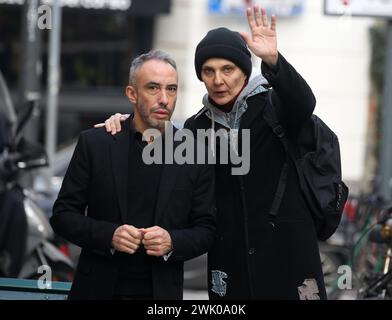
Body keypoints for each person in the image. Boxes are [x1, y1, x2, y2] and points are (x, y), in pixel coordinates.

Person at [96, 5, 327, 300]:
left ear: (244, 71)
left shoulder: (275, 106)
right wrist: (124, 123)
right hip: (231, 263)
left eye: (227, 69)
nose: (218, 80)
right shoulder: (196, 127)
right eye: (209, 71)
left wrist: (273, 60)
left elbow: (304, 104)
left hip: (288, 257)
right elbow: (155, 144)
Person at [50, 50, 216, 300]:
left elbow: (207, 230)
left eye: (171, 89)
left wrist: (172, 241)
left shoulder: (196, 154)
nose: (164, 99)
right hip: (97, 290)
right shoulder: (95, 144)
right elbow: (62, 216)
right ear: (132, 93)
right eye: (153, 88)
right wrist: (109, 236)